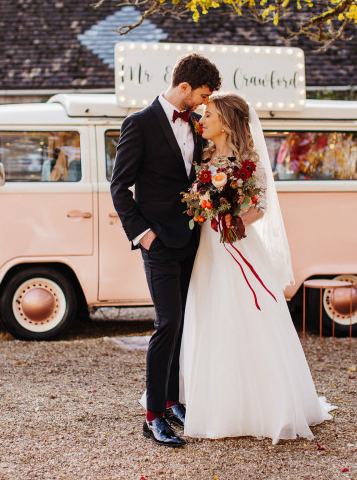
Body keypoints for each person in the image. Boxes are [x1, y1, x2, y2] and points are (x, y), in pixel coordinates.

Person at [180, 92, 335, 443]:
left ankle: (263, 404)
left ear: (227, 122)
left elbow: (260, 205)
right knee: (211, 312)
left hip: (237, 244)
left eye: (209, 116)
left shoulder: (249, 160)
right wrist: (203, 209)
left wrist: (237, 221)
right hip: (208, 245)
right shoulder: (202, 155)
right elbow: (196, 200)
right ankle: (215, 400)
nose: (202, 121)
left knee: (246, 313)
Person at [110, 53, 222, 448]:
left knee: (184, 322)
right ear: (185, 87)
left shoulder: (196, 123)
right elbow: (119, 188)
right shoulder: (138, 124)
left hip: (192, 240)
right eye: (203, 94)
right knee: (168, 323)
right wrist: (143, 235)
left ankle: (174, 402)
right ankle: (153, 416)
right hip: (157, 241)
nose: (205, 103)